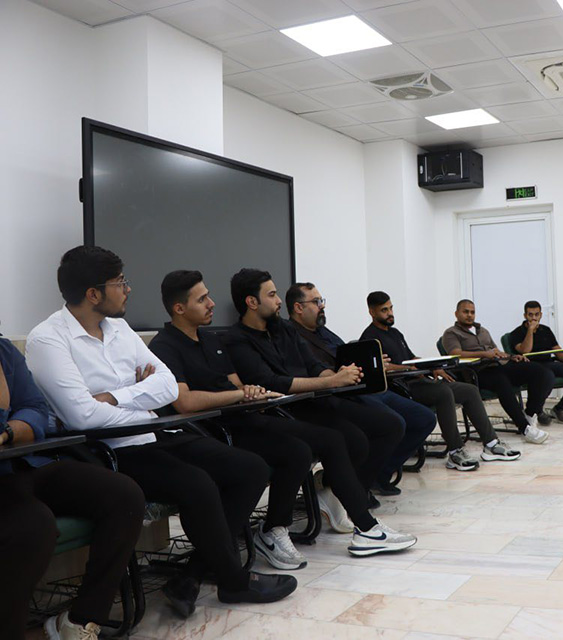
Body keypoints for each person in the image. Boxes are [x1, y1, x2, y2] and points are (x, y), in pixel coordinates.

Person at [26, 246, 297, 620]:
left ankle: (192, 575)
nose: (128, 289)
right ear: (93, 294)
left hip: (156, 432)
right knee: (198, 484)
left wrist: (116, 397)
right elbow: (83, 416)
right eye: (120, 282)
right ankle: (234, 581)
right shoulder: (48, 339)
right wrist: (140, 397)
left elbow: (168, 386)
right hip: (109, 450)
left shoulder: (120, 328)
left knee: (250, 468)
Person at [150, 270, 416, 559]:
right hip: (220, 427)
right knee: (323, 443)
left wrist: (250, 391)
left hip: (249, 414)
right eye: (202, 299)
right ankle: (357, 526)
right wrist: (243, 393)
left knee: (342, 438)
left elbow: (240, 384)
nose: (212, 303)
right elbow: (186, 402)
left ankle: (297, 523)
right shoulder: (171, 345)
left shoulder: (212, 339)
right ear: (179, 308)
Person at [221, 269, 408, 511]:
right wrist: (332, 381)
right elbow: (274, 382)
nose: (279, 301)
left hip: (316, 399)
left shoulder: (283, 329)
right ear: (252, 302)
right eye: (272, 295)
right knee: (352, 439)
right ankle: (347, 501)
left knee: (388, 425)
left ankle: (335, 492)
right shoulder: (237, 339)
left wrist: (338, 377)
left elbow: (313, 365)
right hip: (287, 409)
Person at [0, 335, 144, 640]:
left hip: (27, 461)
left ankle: (81, 621)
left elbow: (35, 408)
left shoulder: (4, 350)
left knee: (123, 494)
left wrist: (10, 431)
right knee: (33, 525)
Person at [285, 283, 436, 487]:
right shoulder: (292, 336)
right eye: (316, 301)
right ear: (298, 308)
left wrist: (373, 363)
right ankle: (362, 482)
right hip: (341, 394)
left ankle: (380, 473)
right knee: (394, 423)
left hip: (364, 385)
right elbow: (320, 371)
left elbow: (346, 355)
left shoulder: (323, 331)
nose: (322, 306)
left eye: (322, 301)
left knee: (425, 418)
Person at [360, 291, 521, 471]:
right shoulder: (369, 338)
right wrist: (407, 368)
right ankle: (455, 451)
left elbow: (411, 357)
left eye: (391, 308)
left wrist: (432, 365)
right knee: (443, 392)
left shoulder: (395, 333)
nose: (390, 313)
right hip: (400, 388)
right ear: (372, 312)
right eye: (384, 310)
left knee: (469, 390)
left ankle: (491, 444)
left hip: (419, 380)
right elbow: (381, 368)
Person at [441, 300, 552, 444]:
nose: (469, 315)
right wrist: (484, 354)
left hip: (497, 365)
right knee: (501, 380)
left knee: (540, 371)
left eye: (472, 312)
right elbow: (456, 354)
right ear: (456, 314)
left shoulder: (483, 331)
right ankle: (525, 428)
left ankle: (530, 413)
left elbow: (496, 351)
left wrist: (511, 356)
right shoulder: (451, 333)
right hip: (477, 372)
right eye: (465, 312)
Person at [509, 300, 563, 423]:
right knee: (547, 376)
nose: (534, 318)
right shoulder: (516, 333)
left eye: (536, 314)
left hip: (548, 363)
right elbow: (525, 350)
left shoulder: (546, 330)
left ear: (541, 315)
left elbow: (558, 351)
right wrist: (530, 331)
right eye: (530, 315)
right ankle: (536, 410)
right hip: (530, 366)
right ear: (525, 316)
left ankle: (560, 408)